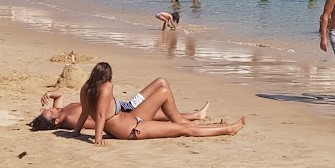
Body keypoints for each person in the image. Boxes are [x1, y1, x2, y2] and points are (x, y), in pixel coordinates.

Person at [72, 62, 243, 143]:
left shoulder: (86, 89)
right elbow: (100, 115)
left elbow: (85, 112)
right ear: (106, 77)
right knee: (185, 130)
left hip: (132, 120)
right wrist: (98, 139)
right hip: (133, 129)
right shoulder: (106, 87)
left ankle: (185, 119)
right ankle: (227, 130)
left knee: (164, 91)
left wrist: (76, 132)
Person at [32, 78, 209, 132]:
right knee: (161, 89)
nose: (51, 108)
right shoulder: (70, 118)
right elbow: (97, 122)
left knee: (161, 83)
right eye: (50, 112)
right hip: (126, 111)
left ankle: (193, 116)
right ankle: (187, 121)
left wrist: (49, 94)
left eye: (50, 108)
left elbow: (59, 95)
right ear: (56, 122)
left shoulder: (62, 111)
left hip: (125, 107)